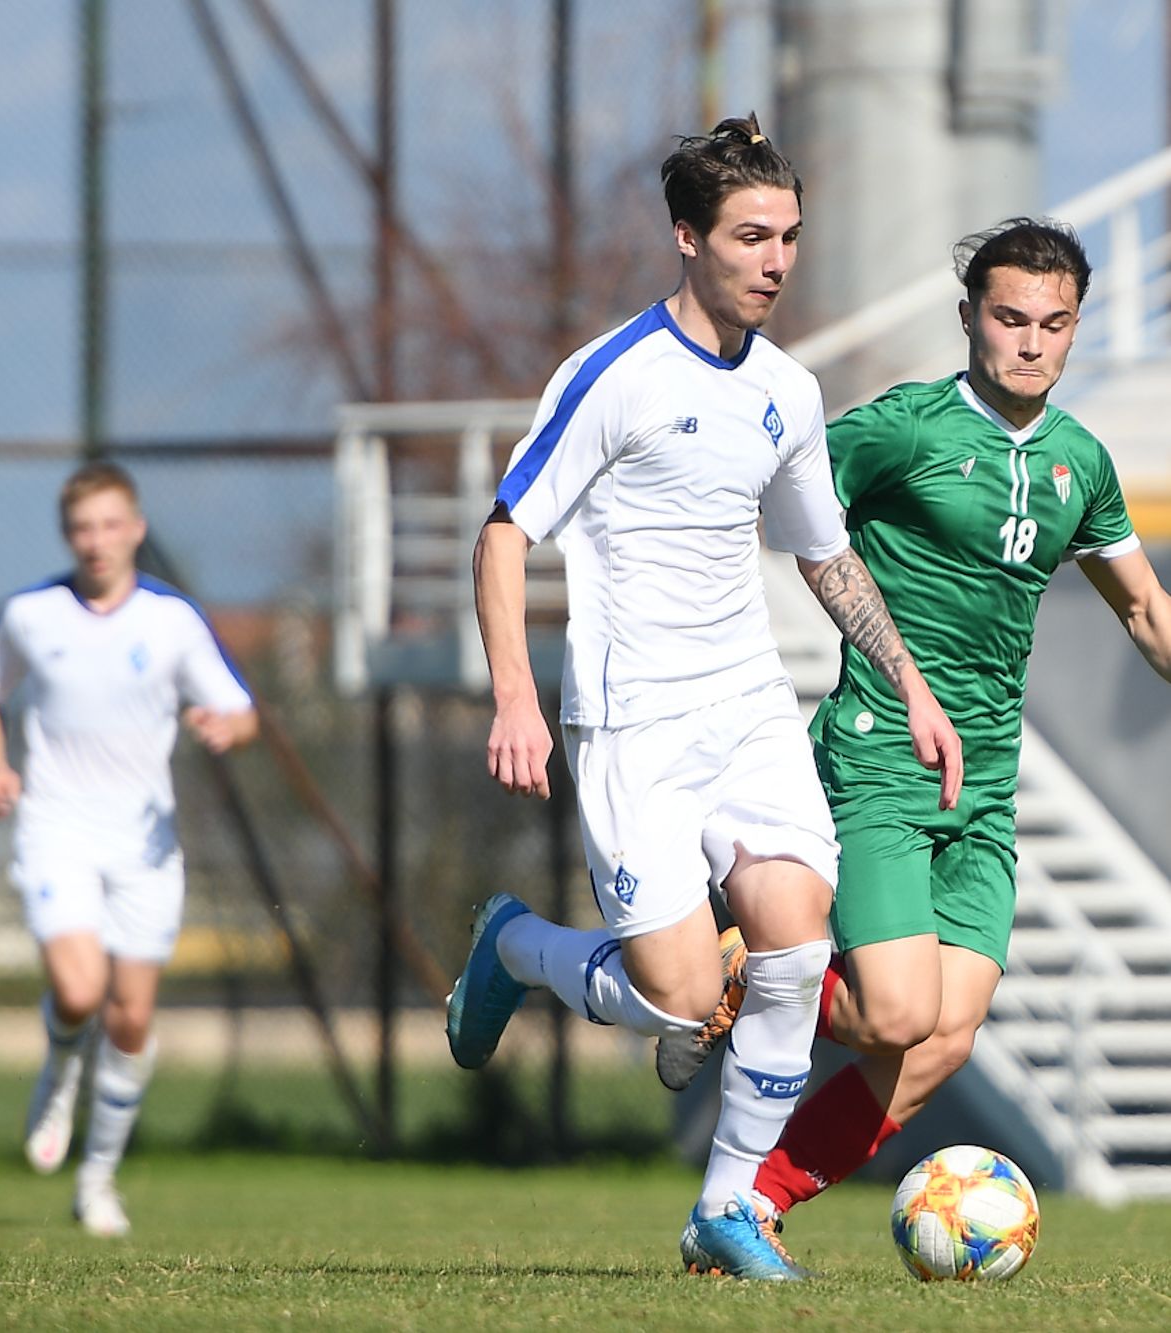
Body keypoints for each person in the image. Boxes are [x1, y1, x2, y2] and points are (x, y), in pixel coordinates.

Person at [444, 114, 961, 1282]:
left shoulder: (788, 388)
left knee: (793, 936)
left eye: (786, 236)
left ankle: (726, 1210)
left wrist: (913, 692)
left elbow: (824, 557)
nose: (775, 259)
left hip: (746, 708)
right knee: (681, 1000)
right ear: (687, 239)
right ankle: (515, 948)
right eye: (749, 236)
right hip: (631, 721)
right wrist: (515, 699)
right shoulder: (613, 376)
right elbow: (503, 533)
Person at [657, 216, 1171, 1241]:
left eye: (1053, 324)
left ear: (1075, 330)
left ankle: (750, 1210)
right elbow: (780, 507)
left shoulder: (1081, 461)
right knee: (889, 1012)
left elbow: (1145, 609)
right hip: (880, 753)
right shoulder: (901, 428)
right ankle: (740, 961)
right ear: (970, 319)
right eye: (1009, 317)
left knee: (938, 1041)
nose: (1030, 342)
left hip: (982, 785)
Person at [0, 462, 259, 1237]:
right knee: (77, 989)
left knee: (129, 1017)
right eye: (82, 528)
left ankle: (97, 1179)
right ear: (69, 536)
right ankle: (60, 1068)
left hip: (144, 842)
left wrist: (225, 726)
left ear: (134, 528)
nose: (96, 542)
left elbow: (237, 707)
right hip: (56, 826)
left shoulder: (170, 622)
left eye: (109, 525)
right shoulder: (32, 613)